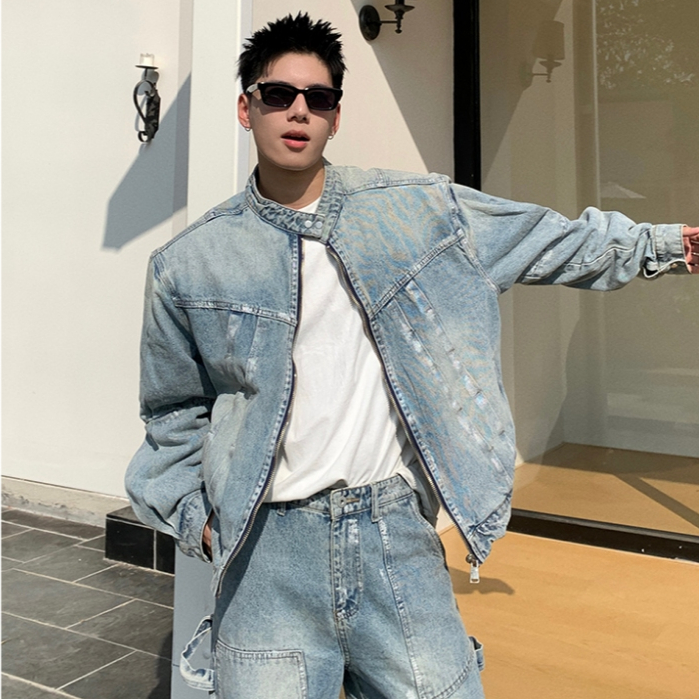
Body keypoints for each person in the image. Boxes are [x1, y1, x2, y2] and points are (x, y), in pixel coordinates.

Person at [126, 13, 699, 699]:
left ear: (336, 116)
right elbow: (173, 414)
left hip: (392, 533)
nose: (299, 110)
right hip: (266, 557)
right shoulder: (189, 263)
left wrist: (666, 246)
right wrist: (200, 521)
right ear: (246, 109)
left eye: (318, 97)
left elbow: (547, 239)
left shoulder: (418, 211)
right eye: (278, 94)